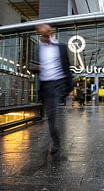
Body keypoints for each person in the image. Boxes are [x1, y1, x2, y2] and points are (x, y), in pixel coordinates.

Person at [31, 24, 73, 155]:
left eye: (46, 34)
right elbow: (32, 66)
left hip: (58, 83)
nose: (44, 37)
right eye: (41, 35)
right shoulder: (37, 48)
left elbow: (67, 66)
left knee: (53, 113)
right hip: (45, 85)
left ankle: (56, 143)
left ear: (50, 33)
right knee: (51, 116)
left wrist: (70, 86)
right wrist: (35, 67)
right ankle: (55, 137)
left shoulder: (61, 47)